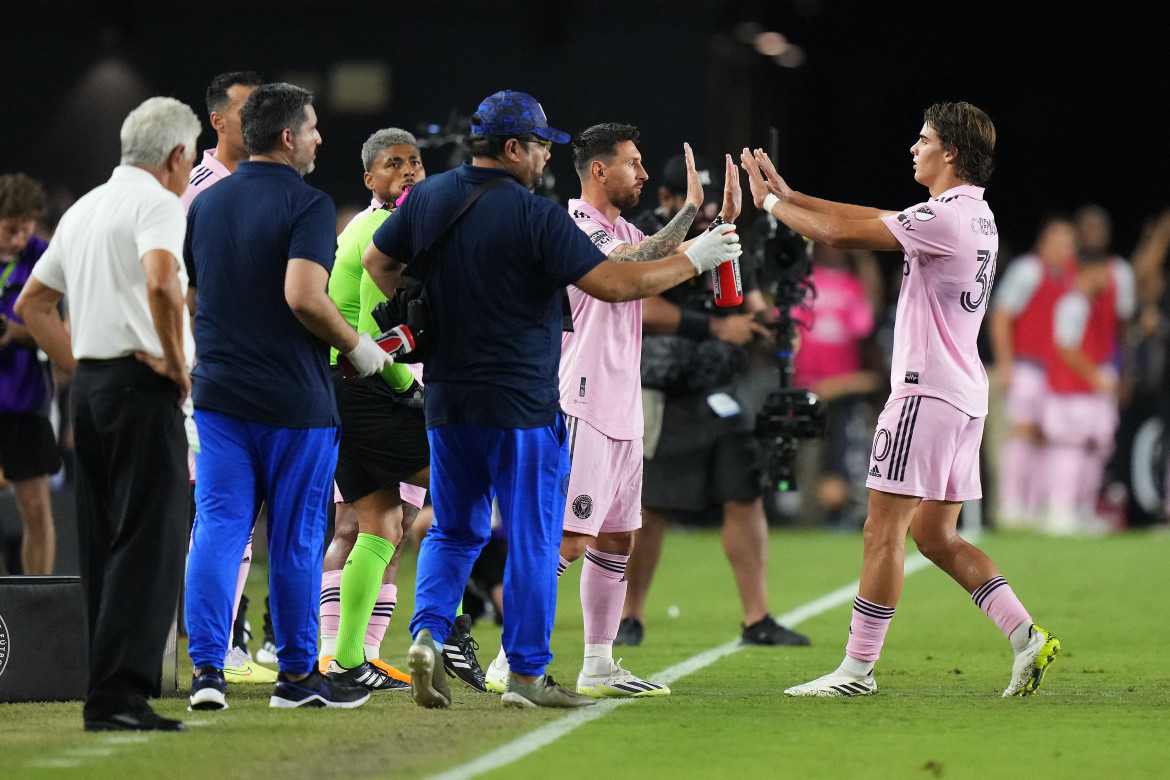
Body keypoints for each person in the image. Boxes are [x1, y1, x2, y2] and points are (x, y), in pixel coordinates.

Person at [362, 89, 743, 709]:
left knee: (454, 531)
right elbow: (613, 284)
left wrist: (423, 319)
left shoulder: (428, 198)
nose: (544, 157)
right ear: (513, 147)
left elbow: (379, 262)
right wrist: (694, 258)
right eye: (540, 145)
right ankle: (526, 674)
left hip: (450, 397)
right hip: (522, 400)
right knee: (539, 537)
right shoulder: (539, 215)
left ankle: (429, 634)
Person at [740, 101, 1061, 697]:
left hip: (926, 394)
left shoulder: (946, 219)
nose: (914, 148)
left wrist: (769, 205)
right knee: (936, 537)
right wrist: (794, 195)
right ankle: (1026, 638)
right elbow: (872, 217)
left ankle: (856, 672)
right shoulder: (971, 215)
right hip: (963, 392)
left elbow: (841, 234)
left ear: (951, 154)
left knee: (880, 531)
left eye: (924, 139)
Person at [484, 124, 736, 697]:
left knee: (616, 538)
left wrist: (710, 223)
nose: (644, 174)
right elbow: (628, 264)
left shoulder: (620, 226)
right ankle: (509, 655)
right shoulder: (573, 225)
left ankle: (598, 662)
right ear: (599, 171)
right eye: (634, 163)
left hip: (621, 405)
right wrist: (691, 227)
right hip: (580, 401)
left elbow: (656, 251)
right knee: (568, 539)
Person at [183, 82, 393, 711]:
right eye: (312, 128)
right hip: (293, 400)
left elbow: (197, 296)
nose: (319, 139)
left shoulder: (205, 204)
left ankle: (206, 674)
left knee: (219, 529)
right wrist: (359, 349)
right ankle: (299, 679)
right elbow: (304, 296)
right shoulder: (306, 204)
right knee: (298, 538)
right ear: (286, 137)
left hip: (218, 393)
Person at [15, 97, 200, 731]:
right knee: (151, 538)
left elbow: (34, 306)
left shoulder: (86, 207)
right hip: (138, 389)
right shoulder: (156, 204)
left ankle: (105, 689)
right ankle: (121, 696)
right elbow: (160, 282)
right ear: (176, 157)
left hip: (93, 388)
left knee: (103, 541)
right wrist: (175, 364)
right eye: (193, 153)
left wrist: (82, 364)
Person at [617, 153, 810, 649]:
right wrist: (718, 326)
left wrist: (770, 323)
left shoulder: (722, 234)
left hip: (717, 389)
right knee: (651, 506)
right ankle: (628, 616)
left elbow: (747, 296)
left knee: (743, 494)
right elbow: (639, 302)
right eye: (692, 203)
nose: (703, 215)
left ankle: (757, 618)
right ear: (665, 200)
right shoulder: (641, 237)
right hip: (661, 388)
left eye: (707, 205)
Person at [318, 127, 432, 693]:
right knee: (463, 479)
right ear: (370, 179)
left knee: (381, 524)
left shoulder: (387, 229)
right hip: (367, 389)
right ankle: (445, 632)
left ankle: (346, 660)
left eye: (416, 162)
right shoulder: (377, 232)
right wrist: (410, 390)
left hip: (350, 390)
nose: (409, 171)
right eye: (394, 164)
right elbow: (367, 334)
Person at [178, 70, 275, 685]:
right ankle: (215, 646)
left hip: (251, 374)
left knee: (238, 515)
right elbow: (183, 287)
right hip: (208, 374)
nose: (259, 121)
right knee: (220, 514)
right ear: (218, 120)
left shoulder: (258, 183)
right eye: (247, 111)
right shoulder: (198, 189)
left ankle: (228, 642)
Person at [988, 216, 1078, 529]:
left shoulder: (1071, 276)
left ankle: (1036, 505)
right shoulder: (1028, 270)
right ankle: (1012, 505)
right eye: (1059, 240)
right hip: (1027, 366)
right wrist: (1006, 363)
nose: (1065, 247)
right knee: (1021, 434)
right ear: (1044, 242)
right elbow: (1001, 315)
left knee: (1046, 437)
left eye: (1069, 241)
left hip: (1055, 372)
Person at [1041, 249, 1135, 534]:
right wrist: (1094, 374)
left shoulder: (1093, 304)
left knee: (1096, 451)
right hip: (1071, 391)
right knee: (1071, 449)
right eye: (1101, 273)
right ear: (1085, 273)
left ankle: (1082, 509)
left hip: (1091, 393)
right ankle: (1059, 511)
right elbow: (1065, 347)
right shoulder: (1073, 303)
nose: (1107, 279)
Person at [0, 172, 60, 575]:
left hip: (24, 400)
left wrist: (14, 332)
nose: (19, 239)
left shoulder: (45, 256)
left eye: (25, 230)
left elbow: (61, 335)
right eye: (10, 230)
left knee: (36, 510)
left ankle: (37, 613)